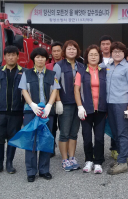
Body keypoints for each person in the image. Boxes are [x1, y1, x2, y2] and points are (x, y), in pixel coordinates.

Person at [18, 47, 60, 182]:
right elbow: (24, 90)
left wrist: (49, 105)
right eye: (37, 57)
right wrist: (32, 105)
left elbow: (54, 90)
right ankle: (31, 171)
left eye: (42, 57)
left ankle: (44, 170)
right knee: (31, 141)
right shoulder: (27, 73)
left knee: (46, 140)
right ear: (33, 59)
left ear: (46, 59)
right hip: (31, 111)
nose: (40, 59)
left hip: (47, 112)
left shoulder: (52, 74)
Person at [0, 45, 25, 176]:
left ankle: (9, 163)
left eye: (13, 55)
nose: (11, 57)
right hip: (0, 112)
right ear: (4, 57)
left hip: (16, 112)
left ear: (18, 57)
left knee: (13, 138)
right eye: (8, 55)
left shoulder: (23, 72)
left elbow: (27, 93)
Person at [74, 45, 107, 174]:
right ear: (87, 57)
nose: (93, 57)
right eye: (91, 54)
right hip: (86, 109)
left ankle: (98, 161)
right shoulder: (81, 71)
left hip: (101, 109)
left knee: (99, 137)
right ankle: (89, 160)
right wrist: (80, 106)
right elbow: (76, 90)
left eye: (96, 55)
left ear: (99, 57)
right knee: (87, 136)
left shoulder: (104, 71)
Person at [53, 40, 84, 172]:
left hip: (78, 104)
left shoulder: (81, 66)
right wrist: (58, 101)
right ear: (64, 52)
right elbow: (55, 85)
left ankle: (72, 157)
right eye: (69, 49)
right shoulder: (58, 66)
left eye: (74, 49)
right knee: (64, 133)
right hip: (64, 104)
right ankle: (64, 159)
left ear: (77, 51)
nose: (72, 51)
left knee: (74, 133)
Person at [106, 41, 128, 175]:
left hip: (122, 103)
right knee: (114, 132)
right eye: (114, 51)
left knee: (122, 132)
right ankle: (120, 157)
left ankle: (123, 162)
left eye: (120, 51)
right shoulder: (108, 66)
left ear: (124, 53)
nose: (117, 53)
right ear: (111, 53)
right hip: (109, 103)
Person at [99, 34, 118, 160]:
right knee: (99, 124)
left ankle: (115, 149)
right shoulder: (95, 58)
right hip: (99, 98)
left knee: (115, 123)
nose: (106, 46)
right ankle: (98, 152)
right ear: (100, 46)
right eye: (103, 44)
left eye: (108, 44)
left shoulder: (117, 58)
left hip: (114, 97)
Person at [46, 41, 64, 158]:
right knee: (50, 126)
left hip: (64, 101)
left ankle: (64, 147)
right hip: (51, 101)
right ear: (51, 53)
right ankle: (50, 148)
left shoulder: (67, 64)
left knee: (63, 126)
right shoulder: (47, 66)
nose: (56, 53)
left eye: (58, 50)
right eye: (54, 51)